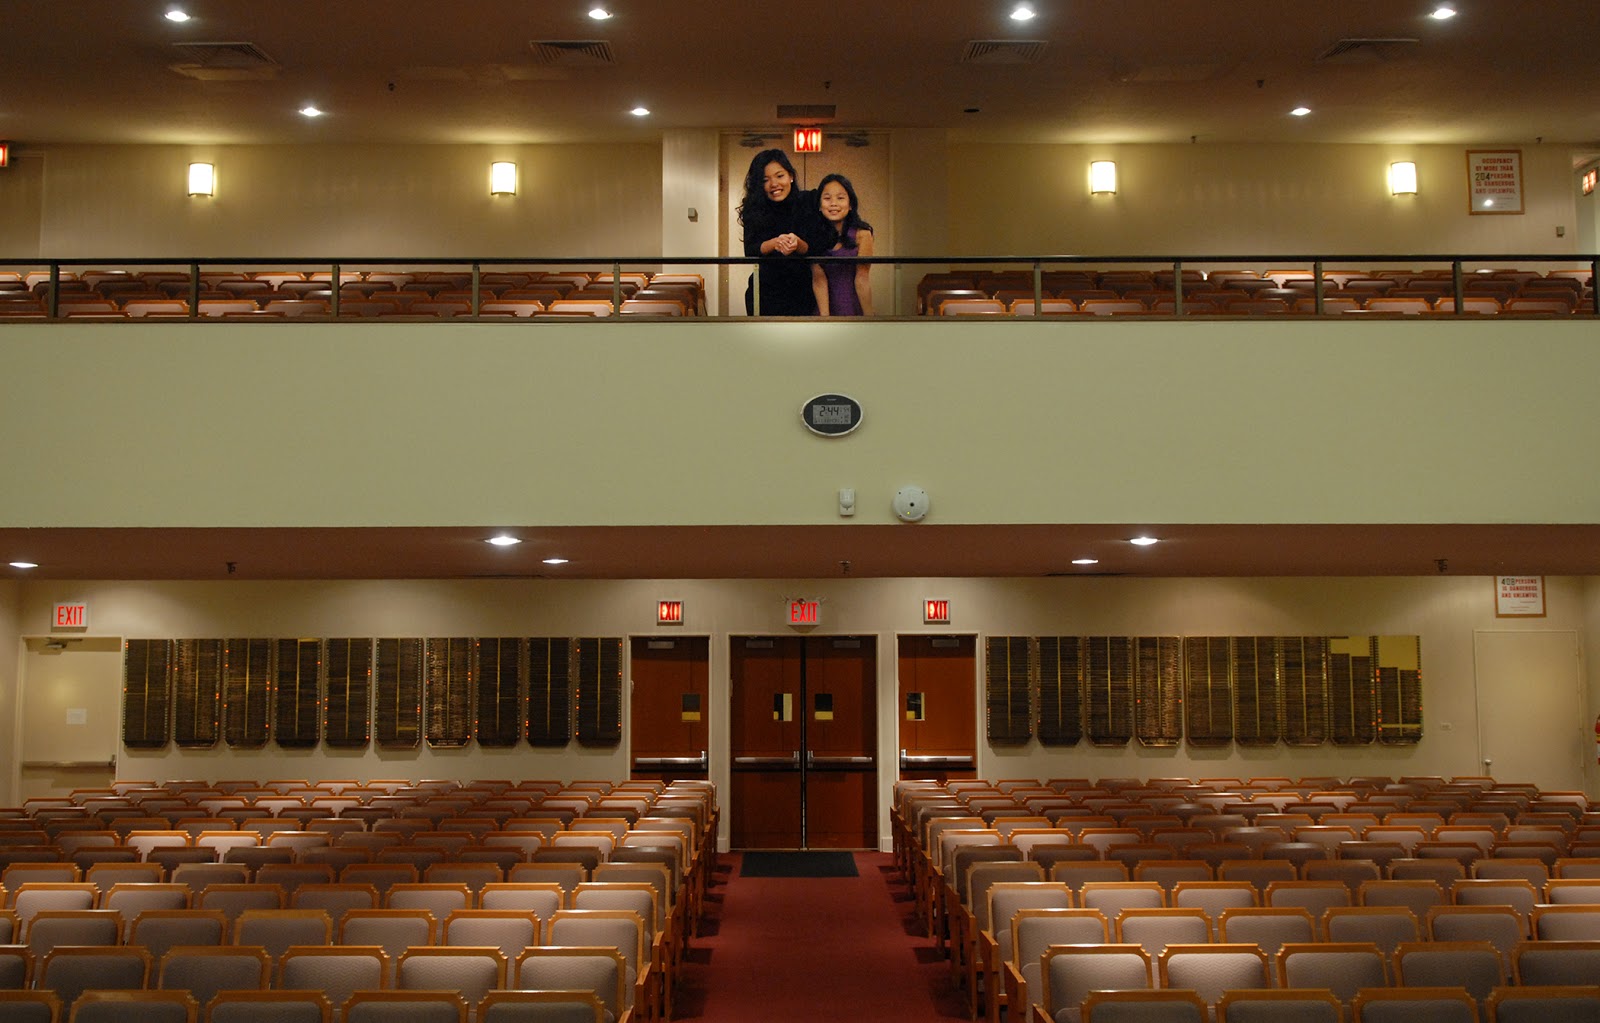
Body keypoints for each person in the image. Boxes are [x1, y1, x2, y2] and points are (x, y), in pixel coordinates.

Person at [738, 149, 820, 316]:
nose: (774, 184)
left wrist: (797, 243)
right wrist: (775, 243)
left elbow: (815, 248)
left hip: (802, 288)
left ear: (791, 176)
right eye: (765, 180)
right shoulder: (754, 208)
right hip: (765, 290)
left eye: (779, 176)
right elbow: (751, 250)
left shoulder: (807, 202)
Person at [810, 173, 874, 317]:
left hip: (854, 307)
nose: (833, 204)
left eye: (840, 198)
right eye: (827, 198)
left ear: (850, 204)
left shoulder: (863, 234)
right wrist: (825, 319)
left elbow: (862, 278)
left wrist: (870, 318)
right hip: (824, 309)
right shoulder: (814, 235)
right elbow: (819, 280)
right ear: (819, 205)